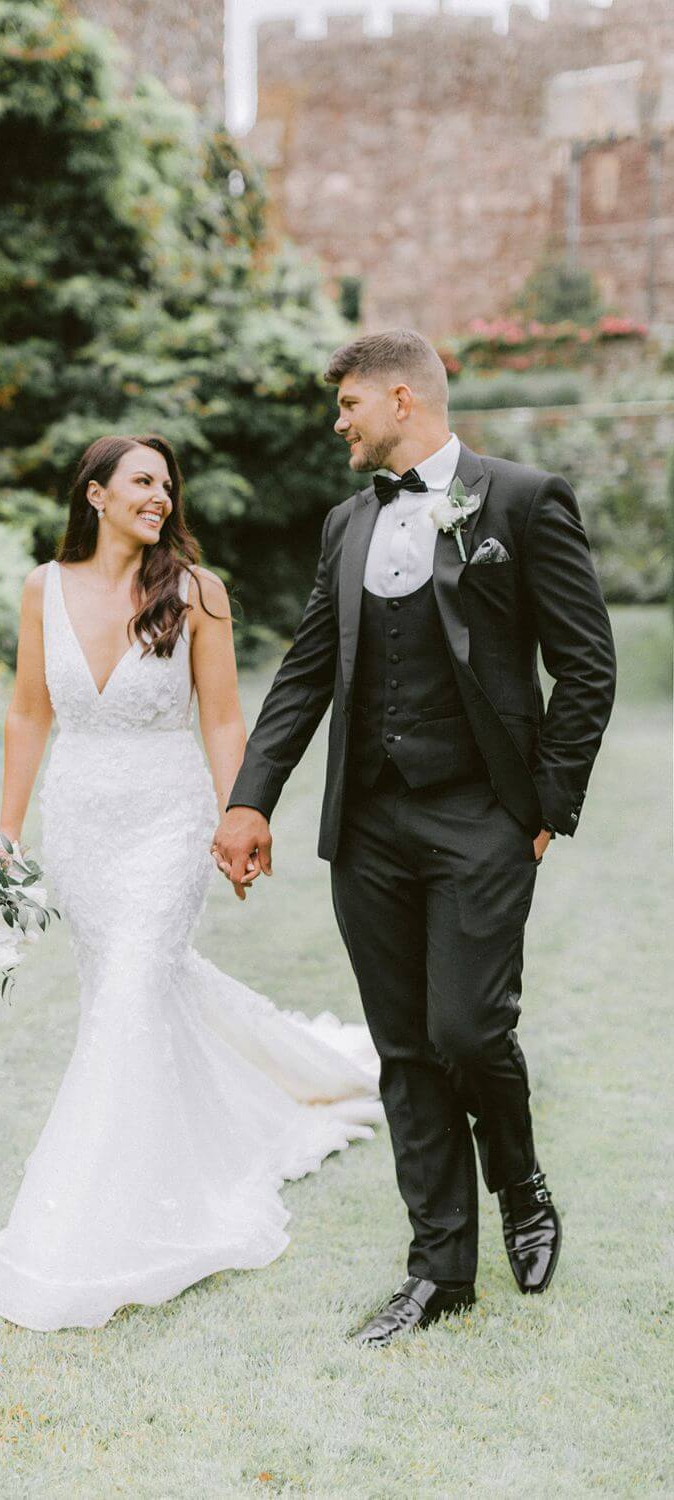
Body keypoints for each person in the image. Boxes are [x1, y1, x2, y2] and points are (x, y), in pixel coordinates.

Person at [212, 329, 617, 1346]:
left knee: (467, 1030)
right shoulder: (345, 523)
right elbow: (309, 670)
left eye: (348, 404)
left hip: (481, 813)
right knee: (403, 1051)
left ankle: (517, 1177)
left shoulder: (521, 501)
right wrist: (249, 798)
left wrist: (544, 806)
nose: (338, 423)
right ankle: (439, 1272)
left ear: (401, 397)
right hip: (370, 824)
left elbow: (586, 663)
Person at [0, 433, 383, 1332]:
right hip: (80, 823)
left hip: (167, 823)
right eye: (141, 481)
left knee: (132, 987)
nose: (160, 496)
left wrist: (243, 813)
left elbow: (226, 719)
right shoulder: (42, 589)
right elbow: (25, 712)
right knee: (128, 997)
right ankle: (249, 1101)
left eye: (167, 484)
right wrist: (6, 835)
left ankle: (93, 1222)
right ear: (94, 494)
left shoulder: (198, 592)